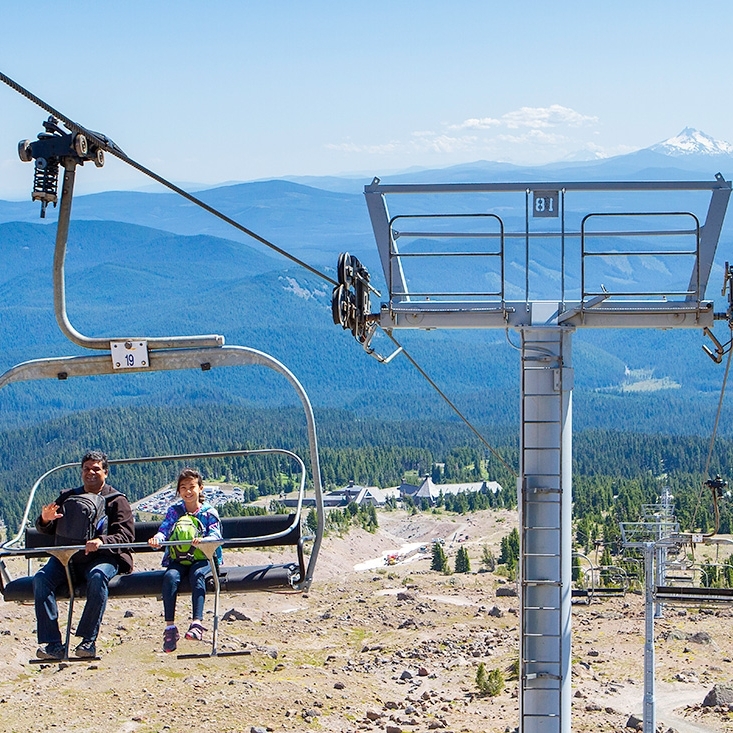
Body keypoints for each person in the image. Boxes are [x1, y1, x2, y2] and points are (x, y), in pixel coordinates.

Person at [33, 450, 134, 660]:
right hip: (67, 558)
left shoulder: (116, 500)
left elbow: (126, 535)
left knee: (98, 577)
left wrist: (102, 542)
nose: (91, 473)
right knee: (41, 579)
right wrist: (45, 520)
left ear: (105, 472)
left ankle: (88, 641)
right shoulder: (69, 497)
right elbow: (48, 528)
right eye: (87, 469)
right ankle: (53, 644)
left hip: (103, 558)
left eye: (96, 469)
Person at [148, 468, 223, 653]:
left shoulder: (208, 512)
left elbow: (216, 534)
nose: (188, 491)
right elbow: (164, 530)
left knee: (198, 575)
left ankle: (197, 622)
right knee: (170, 577)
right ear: (179, 491)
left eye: (192, 487)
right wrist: (157, 539)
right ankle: (170, 627)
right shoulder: (174, 512)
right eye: (183, 488)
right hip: (179, 559)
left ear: (200, 488)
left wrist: (204, 541)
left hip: (203, 558)